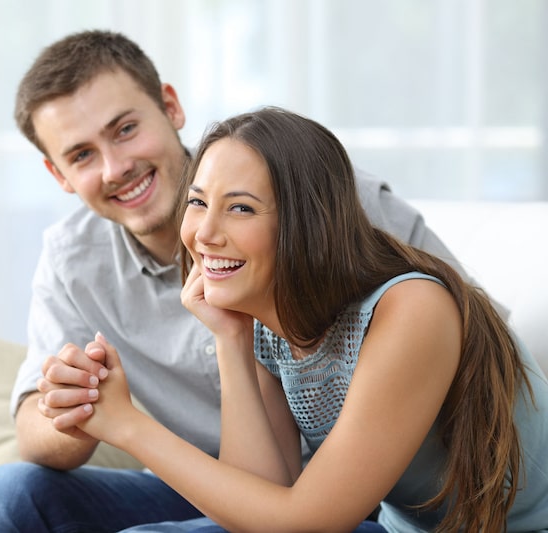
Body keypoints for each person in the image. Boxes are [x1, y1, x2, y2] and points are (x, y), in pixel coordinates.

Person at [0, 31, 474, 532]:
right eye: (82, 155)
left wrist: (129, 424)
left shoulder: (326, 204)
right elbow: (36, 434)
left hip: (368, 490)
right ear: (59, 175)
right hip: (212, 480)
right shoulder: (72, 262)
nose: (116, 167)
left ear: (170, 108)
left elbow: (474, 343)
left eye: (125, 129)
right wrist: (79, 401)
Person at [63, 107, 548, 532]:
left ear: (306, 223)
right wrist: (231, 339)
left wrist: (128, 427)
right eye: (197, 202)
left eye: (240, 208)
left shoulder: (411, 308)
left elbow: (307, 522)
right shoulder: (268, 323)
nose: (205, 233)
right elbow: (256, 500)